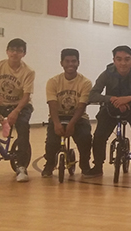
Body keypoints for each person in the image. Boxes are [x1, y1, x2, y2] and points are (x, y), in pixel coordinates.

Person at [88, 45, 131, 177]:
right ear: (114, 60)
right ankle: (98, 165)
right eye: (119, 59)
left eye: (127, 59)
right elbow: (93, 95)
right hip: (111, 107)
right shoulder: (107, 73)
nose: (123, 63)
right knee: (99, 136)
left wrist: (130, 99)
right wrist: (112, 99)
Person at [42, 49, 93, 177]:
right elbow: (52, 104)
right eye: (67, 61)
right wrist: (56, 123)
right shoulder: (53, 82)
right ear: (61, 63)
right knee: (51, 142)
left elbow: (82, 106)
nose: (71, 64)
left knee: (85, 138)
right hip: (58, 116)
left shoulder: (85, 83)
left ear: (78, 63)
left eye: (74, 61)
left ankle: (85, 165)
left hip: (78, 117)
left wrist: (72, 123)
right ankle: (49, 164)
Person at [0, 38, 35, 182]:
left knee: (23, 127)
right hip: (0, 104)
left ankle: (22, 166)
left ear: (24, 53)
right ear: (7, 51)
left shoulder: (28, 71)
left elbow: (26, 95)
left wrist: (16, 111)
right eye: (12, 50)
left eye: (19, 51)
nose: (14, 53)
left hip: (21, 105)